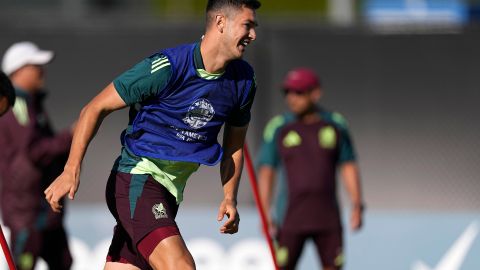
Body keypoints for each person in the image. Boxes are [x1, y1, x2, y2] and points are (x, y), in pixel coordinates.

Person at [44, 0, 261, 269]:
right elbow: (94, 108)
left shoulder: (244, 81)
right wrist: (71, 169)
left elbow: (234, 148)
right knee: (180, 266)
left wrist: (230, 197)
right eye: (247, 25)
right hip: (137, 179)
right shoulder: (167, 66)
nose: (252, 35)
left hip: (170, 193)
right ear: (220, 22)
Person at [257, 67, 364, 270]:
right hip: (289, 218)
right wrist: (265, 213)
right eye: (287, 92)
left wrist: (357, 205)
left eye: (298, 92)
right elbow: (267, 171)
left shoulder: (335, 125)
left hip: (328, 218)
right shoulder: (279, 127)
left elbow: (348, 165)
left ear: (315, 93)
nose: (291, 98)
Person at [0, 42, 74, 270]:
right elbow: (33, 150)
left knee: (63, 262)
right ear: (18, 70)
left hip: (43, 209)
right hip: (27, 212)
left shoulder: (32, 103)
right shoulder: (16, 103)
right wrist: (71, 135)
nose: (42, 71)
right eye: (36, 65)